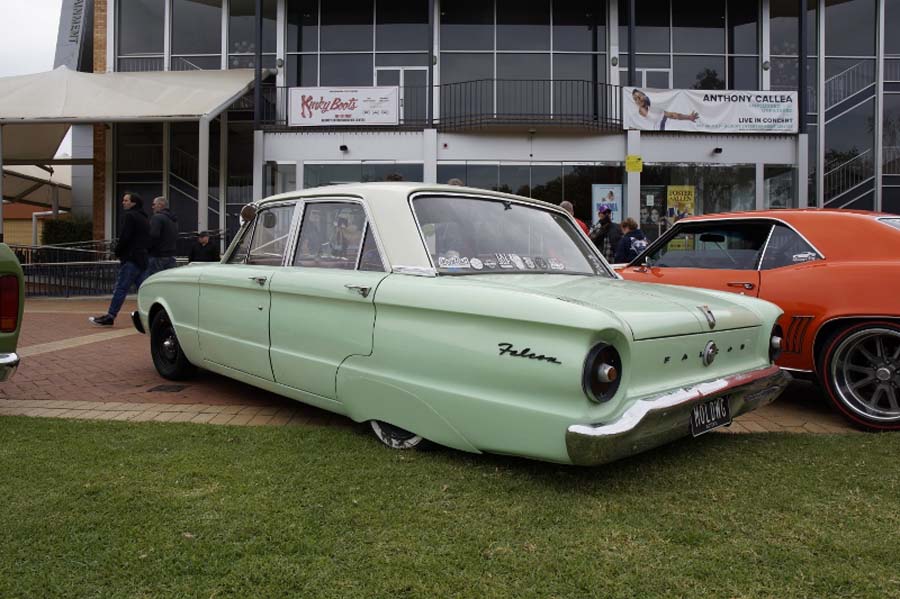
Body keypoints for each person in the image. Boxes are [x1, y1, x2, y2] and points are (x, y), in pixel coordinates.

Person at [89, 192, 150, 326]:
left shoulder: (130, 216)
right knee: (144, 291)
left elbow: (125, 237)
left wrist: (117, 252)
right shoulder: (145, 218)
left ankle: (110, 316)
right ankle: (150, 316)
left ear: (133, 203)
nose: (123, 202)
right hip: (142, 259)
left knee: (121, 288)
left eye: (126, 200)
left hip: (131, 259)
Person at [630, 89, 699, 131]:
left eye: (639, 96)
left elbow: (674, 115)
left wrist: (688, 117)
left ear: (644, 95)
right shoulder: (638, 114)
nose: (638, 100)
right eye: (635, 99)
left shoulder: (655, 109)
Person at [145, 196, 178, 277]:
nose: (152, 207)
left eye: (154, 204)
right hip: (171, 256)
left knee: (152, 282)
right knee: (167, 283)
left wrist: (146, 249)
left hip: (157, 256)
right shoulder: (173, 220)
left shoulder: (157, 217)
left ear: (160, 205)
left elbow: (153, 236)